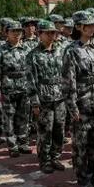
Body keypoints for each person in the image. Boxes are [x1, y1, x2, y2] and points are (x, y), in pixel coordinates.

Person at [63, 11, 94, 187]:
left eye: (93, 25)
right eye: (88, 25)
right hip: (81, 101)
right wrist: (72, 106)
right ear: (78, 27)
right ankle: (83, 178)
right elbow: (69, 81)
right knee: (81, 144)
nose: (92, 28)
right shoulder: (71, 50)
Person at [27, 20, 67, 174]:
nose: (52, 35)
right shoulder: (33, 56)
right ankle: (44, 160)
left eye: (53, 33)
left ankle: (55, 157)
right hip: (44, 98)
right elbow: (31, 80)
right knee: (45, 130)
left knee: (59, 128)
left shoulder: (61, 51)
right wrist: (35, 102)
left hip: (60, 97)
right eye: (48, 33)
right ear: (39, 34)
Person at [0, 21, 33, 157]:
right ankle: (12, 145)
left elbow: (31, 71)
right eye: (13, 31)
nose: (16, 34)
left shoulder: (27, 49)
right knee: (9, 118)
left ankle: (23, 142)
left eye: (19, 31)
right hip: (8, 88)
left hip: (24, 88)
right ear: (6, 33)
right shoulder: (0, 51)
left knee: (24, 117)